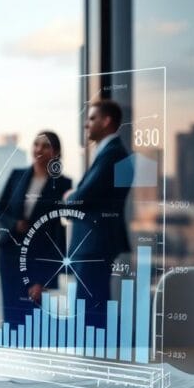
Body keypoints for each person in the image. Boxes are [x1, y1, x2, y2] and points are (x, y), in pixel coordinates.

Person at [0, 131, 72, 328]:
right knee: (11, 313)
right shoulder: (17, 176)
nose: (39, 149)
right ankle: (11, 355)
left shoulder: (63, 184)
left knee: (34, 316)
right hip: (10, 252)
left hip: (39, 256)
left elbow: (57, 229)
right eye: (36, 144)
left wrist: (47, 277)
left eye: (45, 146)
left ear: (56, 152)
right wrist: (14, 224)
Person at [66, 99, 132, 330]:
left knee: (89, 310)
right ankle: (96, 359)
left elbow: (84, 197)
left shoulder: (112, 154)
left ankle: (93, 361)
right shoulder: (108, 153)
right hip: (95, 243)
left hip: (95, 243)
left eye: (92, 118)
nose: (87, 124)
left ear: (106, 121)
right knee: (93, 306)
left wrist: (68, 198)